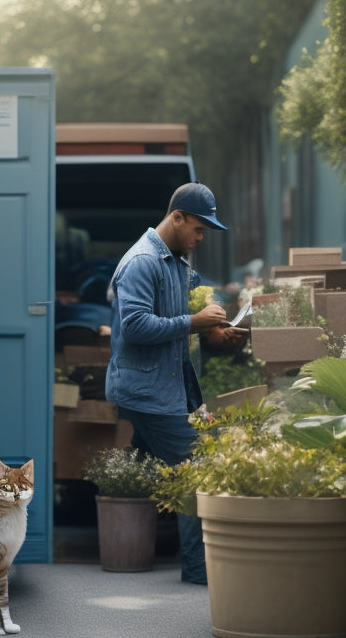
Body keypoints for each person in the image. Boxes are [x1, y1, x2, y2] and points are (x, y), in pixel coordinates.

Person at [105, 182, 248, 584]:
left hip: (171, 387)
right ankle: (200, 571)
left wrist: (214, 333)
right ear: (177, 217)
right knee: (196, 470)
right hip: (148, 392)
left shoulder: (179, 260)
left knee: (147, 469)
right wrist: (194, 322)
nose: (201, 238)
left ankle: (121, 547)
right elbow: (133, 325)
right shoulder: (142, 261)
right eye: (199, 229)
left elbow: (187, 311)